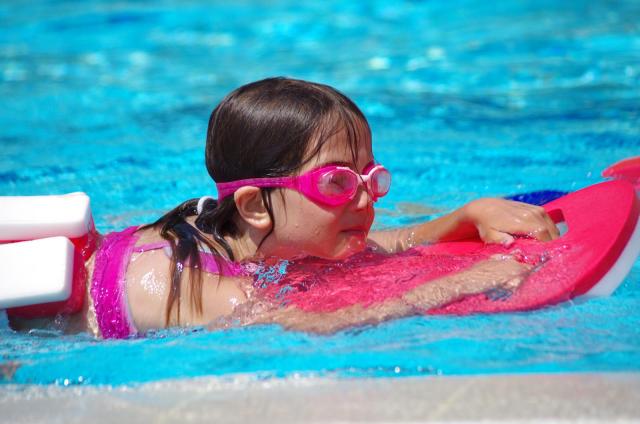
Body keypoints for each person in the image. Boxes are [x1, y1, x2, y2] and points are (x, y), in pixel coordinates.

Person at [11, 77, 559, 338]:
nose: (366, 198)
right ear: (252, 205)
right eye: (339, 183)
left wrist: (464, 216)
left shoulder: (252, 233)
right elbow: (315, 325)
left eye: (371, 176)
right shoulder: (217, 289)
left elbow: (381, 244)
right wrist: (454, 285)